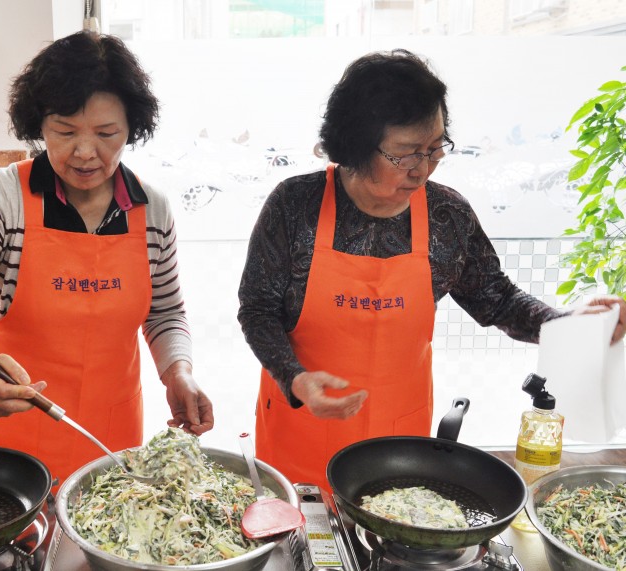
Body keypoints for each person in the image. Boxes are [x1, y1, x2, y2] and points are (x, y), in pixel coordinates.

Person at [237, 49, 626, 490]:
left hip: (398, 441)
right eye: (405, 154)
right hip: (301, 426)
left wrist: (569, 324)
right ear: (357, 146)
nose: (424, 167)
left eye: (435, 147)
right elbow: (258, 310)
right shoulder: (295, 206)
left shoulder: (447, 214)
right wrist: (295, 377)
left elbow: (496, 298)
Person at [0, 31, 213, 485]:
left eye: (107, 134)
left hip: (107, 443)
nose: (86, 152)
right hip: (7, 448)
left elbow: (165, 312)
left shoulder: (152, 210)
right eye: (65, 132)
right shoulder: (4, 198)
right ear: (40, 125)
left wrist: (178, 374)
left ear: (132, 127)